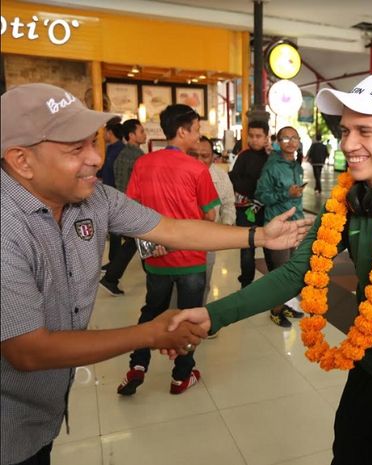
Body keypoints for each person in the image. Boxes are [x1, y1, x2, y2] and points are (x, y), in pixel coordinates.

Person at [169, 75, 372, 464]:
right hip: (368, 373)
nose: (347, 144)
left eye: (364, 131)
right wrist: (213, 315)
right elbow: (295, 275)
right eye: (345, 130)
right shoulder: (348, 202)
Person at [0, 83, 311, 465]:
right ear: (21, 160)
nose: (96, 158)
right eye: (74, 149)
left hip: (42, 414)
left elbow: (173, 228)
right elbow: (28, 351)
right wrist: (152, 332)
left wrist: (258, 235)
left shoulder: (93, 198)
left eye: (92, 143)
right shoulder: (7, 227)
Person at [115, 104, 220, 396]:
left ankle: (138, 364)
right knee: (190, 318)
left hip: (157, 258)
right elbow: (210, 216)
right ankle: (181, 376)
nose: (199, 137)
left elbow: (131, 209)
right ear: (182, 131)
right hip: (190, 256)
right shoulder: (197, 169)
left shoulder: (143, 164)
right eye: (197, 131)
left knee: (152, 311)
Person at [255, 126, 306, 327]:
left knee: (292, 269)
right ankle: (275, 310)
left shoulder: (296, 165)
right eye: (286, 138)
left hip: (296, 224)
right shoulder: (272, 166)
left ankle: (283, 304)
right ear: (278, 141)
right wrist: (287, 194)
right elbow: (261, 195)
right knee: (280, 272)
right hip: (278, 226)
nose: (291, 142)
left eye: (295, 138)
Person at [100, 118, 148, 295]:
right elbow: (142, 185)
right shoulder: (137, 156)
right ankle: (111, 278)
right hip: (135, 206)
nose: (145, 134)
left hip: (125, 204)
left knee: (134, 243)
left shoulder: (123, 154)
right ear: (131, 135)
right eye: (141, 131)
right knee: (141, 240)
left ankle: (111, 278)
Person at [189, 136, 236, 305]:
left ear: (213, 157)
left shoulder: (221, 177)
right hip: (180, 238)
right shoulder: (179, 174)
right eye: (194, 155)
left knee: (203, 283)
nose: (200, 160)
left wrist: (227, 225)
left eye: (205, 156)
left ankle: (197, 320)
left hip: (208, 240)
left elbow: (229, 205)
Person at [229, 120, 270, 289]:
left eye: (258, 136)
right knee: (247, 249)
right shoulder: (243, 156)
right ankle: (246, 285)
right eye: (251, 136)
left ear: (266, 137)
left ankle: (273, 288)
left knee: (271, 250)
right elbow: (233, 178)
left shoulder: (272, 158)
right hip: (245, 210)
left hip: (267, 210)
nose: (254, 140)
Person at [99, 117, 125, 269]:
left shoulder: (120, 150)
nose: (103, 135)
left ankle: (114, 265)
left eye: (104, 132)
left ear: (110, 132)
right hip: (107, 193)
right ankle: (113, 263)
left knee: (116, 231)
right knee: (113, 230)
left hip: (116, 195)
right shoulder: (110, 149)